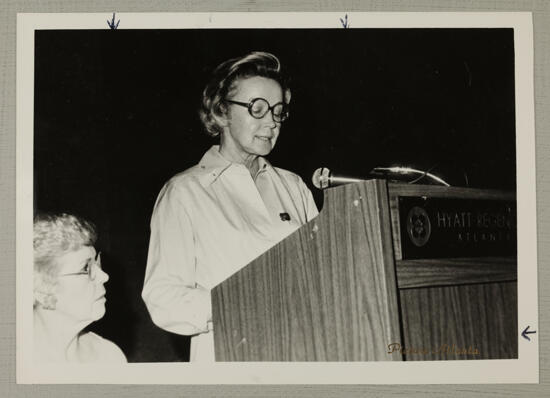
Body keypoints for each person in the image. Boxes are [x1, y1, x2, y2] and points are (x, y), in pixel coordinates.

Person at [142, 51, 319, 362]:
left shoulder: (294, 186)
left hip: (304, 351)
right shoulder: (184, 191)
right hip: (232, 357)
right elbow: (163, 298)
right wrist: (243, 300)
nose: (271, 123)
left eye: (278, 111)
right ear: (221, 112)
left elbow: (323, 274)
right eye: (258, 109)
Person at [33, 212, 127, 363]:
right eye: (85, 268)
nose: (105, 276)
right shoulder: (15, 362)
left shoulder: (110, 357)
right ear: (41, 290)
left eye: (97, 264)